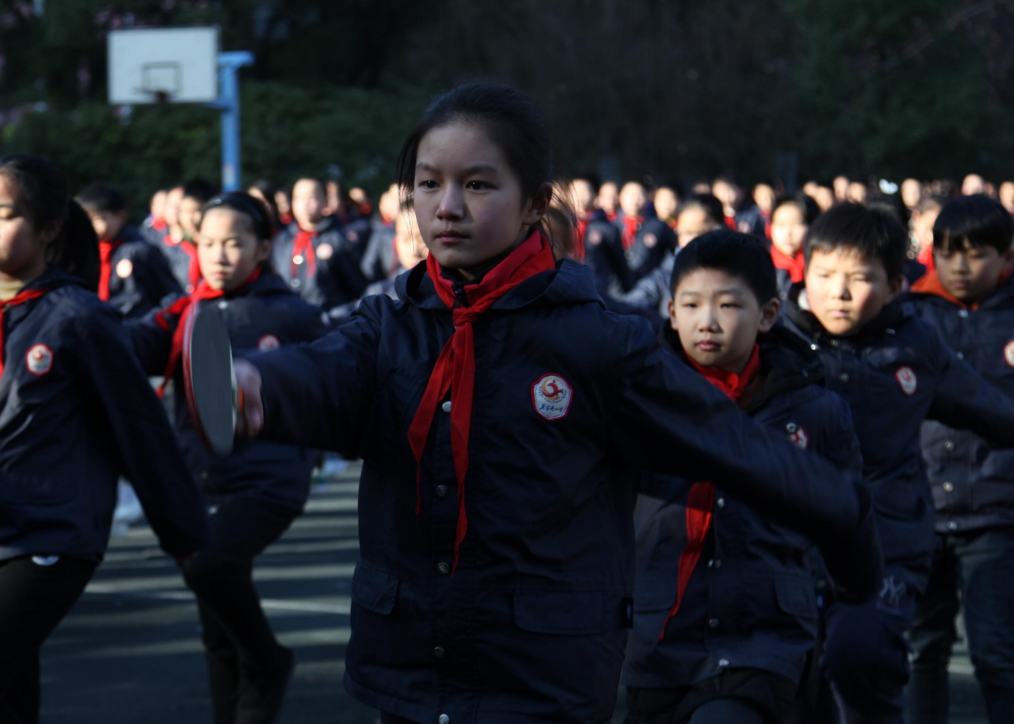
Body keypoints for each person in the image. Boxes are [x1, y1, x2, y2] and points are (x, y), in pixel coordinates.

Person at [229, 82, 881, 724]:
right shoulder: (389, 323)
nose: (447, 207)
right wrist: (258, 386)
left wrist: (851, 542)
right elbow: (321, 373)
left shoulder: (599, 340)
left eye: (478, 185)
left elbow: (739, 447)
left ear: (535, 203)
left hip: (539, 674)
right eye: (428, 184)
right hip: (410, 667)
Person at [780, 202, 1014, 724]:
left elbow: (988, 407)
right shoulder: (779, 344)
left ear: (894, 285)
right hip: (791, 541)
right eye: (824, 275)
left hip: (888, 537)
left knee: (860, 653)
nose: (838, 292)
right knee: (797, 677)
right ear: (804, 271)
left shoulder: (914, 344)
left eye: (859, 278)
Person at [623, 231, 864, 724]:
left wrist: (856, 596)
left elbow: (846, 511)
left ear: (768, 314)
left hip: (763, 635)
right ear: (671, 311)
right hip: (654, 633)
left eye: (728, 306)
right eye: (690, 305)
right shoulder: (641, 399)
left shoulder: (816, 409)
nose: (706, 322)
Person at [0, 154, 208, 724]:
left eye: (4, 214)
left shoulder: (77, 318)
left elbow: (138, 428)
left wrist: (184, 534)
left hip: (50, 532)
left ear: (48, 229)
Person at [128, 192, 329, 724]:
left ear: (263, 247)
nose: (218, 254)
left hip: (270, 480)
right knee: (215, 632)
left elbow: (331, 379)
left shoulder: (294, 314)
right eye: (209, 243)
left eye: (233, 242)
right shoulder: (182, 311)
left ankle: (268, 660)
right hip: (195, 481)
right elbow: (123, 345)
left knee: (212, 567)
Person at [906, 195, 1014, 724]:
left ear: (1005, 255)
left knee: (996, 652)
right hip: (922, 504)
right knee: (922, 648)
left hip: (997, 507)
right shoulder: (911, 314)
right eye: (948, 253)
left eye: (975, 254)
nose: (960, 267)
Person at [76, 181, 181, 319]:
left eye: (97, 218)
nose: (91, 226)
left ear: (119, 217)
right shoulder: (87, 251)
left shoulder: (140, 251)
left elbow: (171, 294)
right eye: (87, 220)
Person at [616, 194, 724, 320]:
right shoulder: (667, 274)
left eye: (699, 232)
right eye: (685, 233)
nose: (691, 240)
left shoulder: (737, 271)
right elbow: (632, 302)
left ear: (719, 230)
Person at [273, 177, 371, 306]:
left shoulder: (338, 240)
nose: (305, 204)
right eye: (299, 198)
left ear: (325, 202)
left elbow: (356, 288)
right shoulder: (283, 240)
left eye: (312, 198)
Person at [569, 177, 633, 296]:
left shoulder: (607, 227)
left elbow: (619, 263)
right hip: (567, 284)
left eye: (585, 192)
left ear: (594, 195)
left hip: (599, 288)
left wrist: (627, 289)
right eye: (575, 191)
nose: (580, 196)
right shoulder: (561, 225)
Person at [617, 181, 677, 280]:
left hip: (649, 284)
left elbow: (671, 255)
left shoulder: (658, 226)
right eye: (630, 195)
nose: (635, 200)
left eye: (639, 195)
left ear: (648, 198)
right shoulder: (610, 227)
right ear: (620, 197)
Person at [769, 193, 819, 300]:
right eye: (780, 224)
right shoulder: (761, 267)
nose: (788, 233)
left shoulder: (820, 267)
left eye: (796, 224)